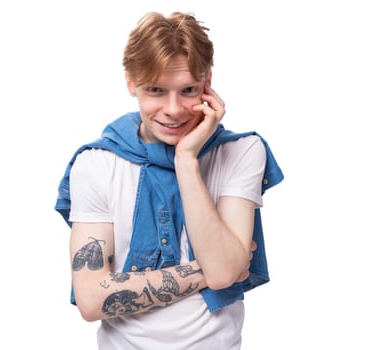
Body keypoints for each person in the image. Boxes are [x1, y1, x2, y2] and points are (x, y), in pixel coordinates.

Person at [55, 11, 283, 349]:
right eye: (156, 90)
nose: (173, 109)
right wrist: (207, 270)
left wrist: (187, 160)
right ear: (131, 82)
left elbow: (224, 274)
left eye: (188, 90)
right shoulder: (95, 164)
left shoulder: (242, 151)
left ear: (208, 81)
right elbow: (91, 301)